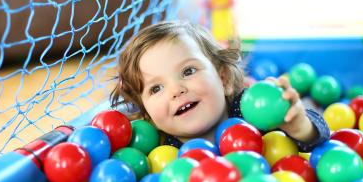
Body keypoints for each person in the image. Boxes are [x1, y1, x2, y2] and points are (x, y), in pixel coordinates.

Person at [111, 21, 329, 151]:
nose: (176, 90)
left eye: (188, 71)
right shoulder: (159, 151)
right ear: (148, 115)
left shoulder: (252, 112)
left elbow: (318, 140)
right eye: (156, 88)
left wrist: (300, 128)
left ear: (222, 78)